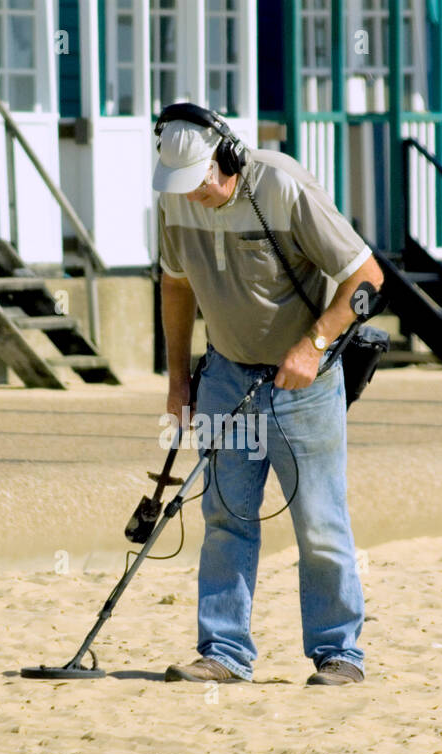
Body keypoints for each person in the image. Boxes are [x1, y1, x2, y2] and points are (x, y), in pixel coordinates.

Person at [153, 104, 383, 686]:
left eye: (199, 181)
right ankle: (223, 653)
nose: (192, 196)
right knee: (224, 516)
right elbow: (176, 286)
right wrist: (178, 380)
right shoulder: (175, 199)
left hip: (304, 387)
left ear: (226, 157)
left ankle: (340, 654)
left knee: (320, 521)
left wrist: (313, 345)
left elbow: (367, 278)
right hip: (224, 379)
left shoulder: (283, 185)